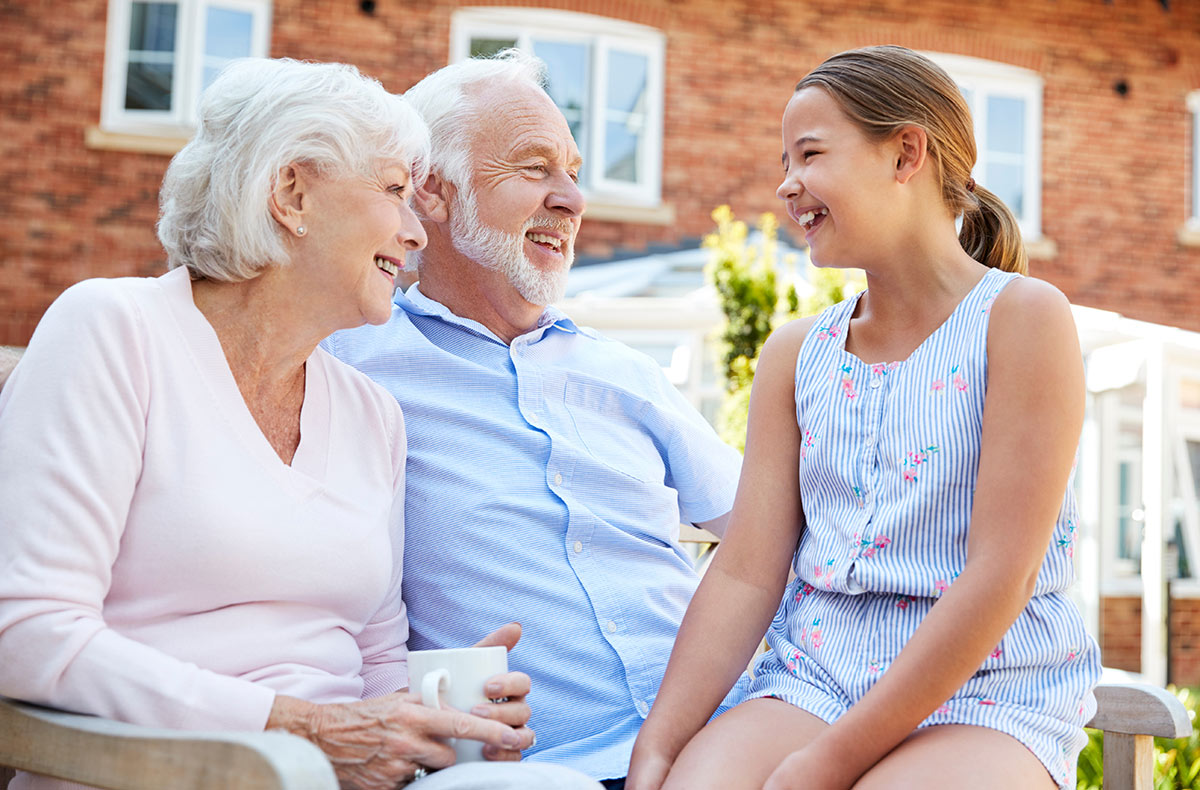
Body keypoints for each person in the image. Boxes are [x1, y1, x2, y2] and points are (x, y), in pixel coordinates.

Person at [0, 57, 599, 790]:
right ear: (292, 193)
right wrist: (299, 729)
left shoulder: (369, 411)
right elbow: (24, 635)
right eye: (394, 191)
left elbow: (375, 664)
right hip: (160, 771)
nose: (416, 232)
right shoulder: (113, 330)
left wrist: (441, 718)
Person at [626, 45, 1101, 790]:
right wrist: (660, 745)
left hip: (986, 691)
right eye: (784, 160)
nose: (787, 184)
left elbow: (999, 576)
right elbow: (747, 574)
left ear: (906, 153)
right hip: (816, 676)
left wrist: (825, 765)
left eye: (810, 154)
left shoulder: (1023, 320)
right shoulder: (795, 354)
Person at [323, 50, 744, 788]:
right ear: (433, 193)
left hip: (726, 742)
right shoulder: (348, 368)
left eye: (574, 171)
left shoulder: (625, 373)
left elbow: (780, 534)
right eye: (535, 168)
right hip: (539, 769)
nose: (574, 199)